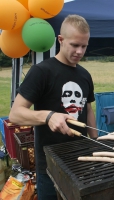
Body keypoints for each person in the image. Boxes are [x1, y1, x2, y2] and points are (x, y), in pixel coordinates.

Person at [9, 15, 98, 199]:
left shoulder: (85, 75)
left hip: (81, 158)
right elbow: (16, 114)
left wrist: (96, 140)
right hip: (50, 165)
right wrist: (49, 116)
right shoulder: (41, 71)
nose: (80, 51)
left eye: (84, 46)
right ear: (60, 40)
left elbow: (87, 108)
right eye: (74, 45)